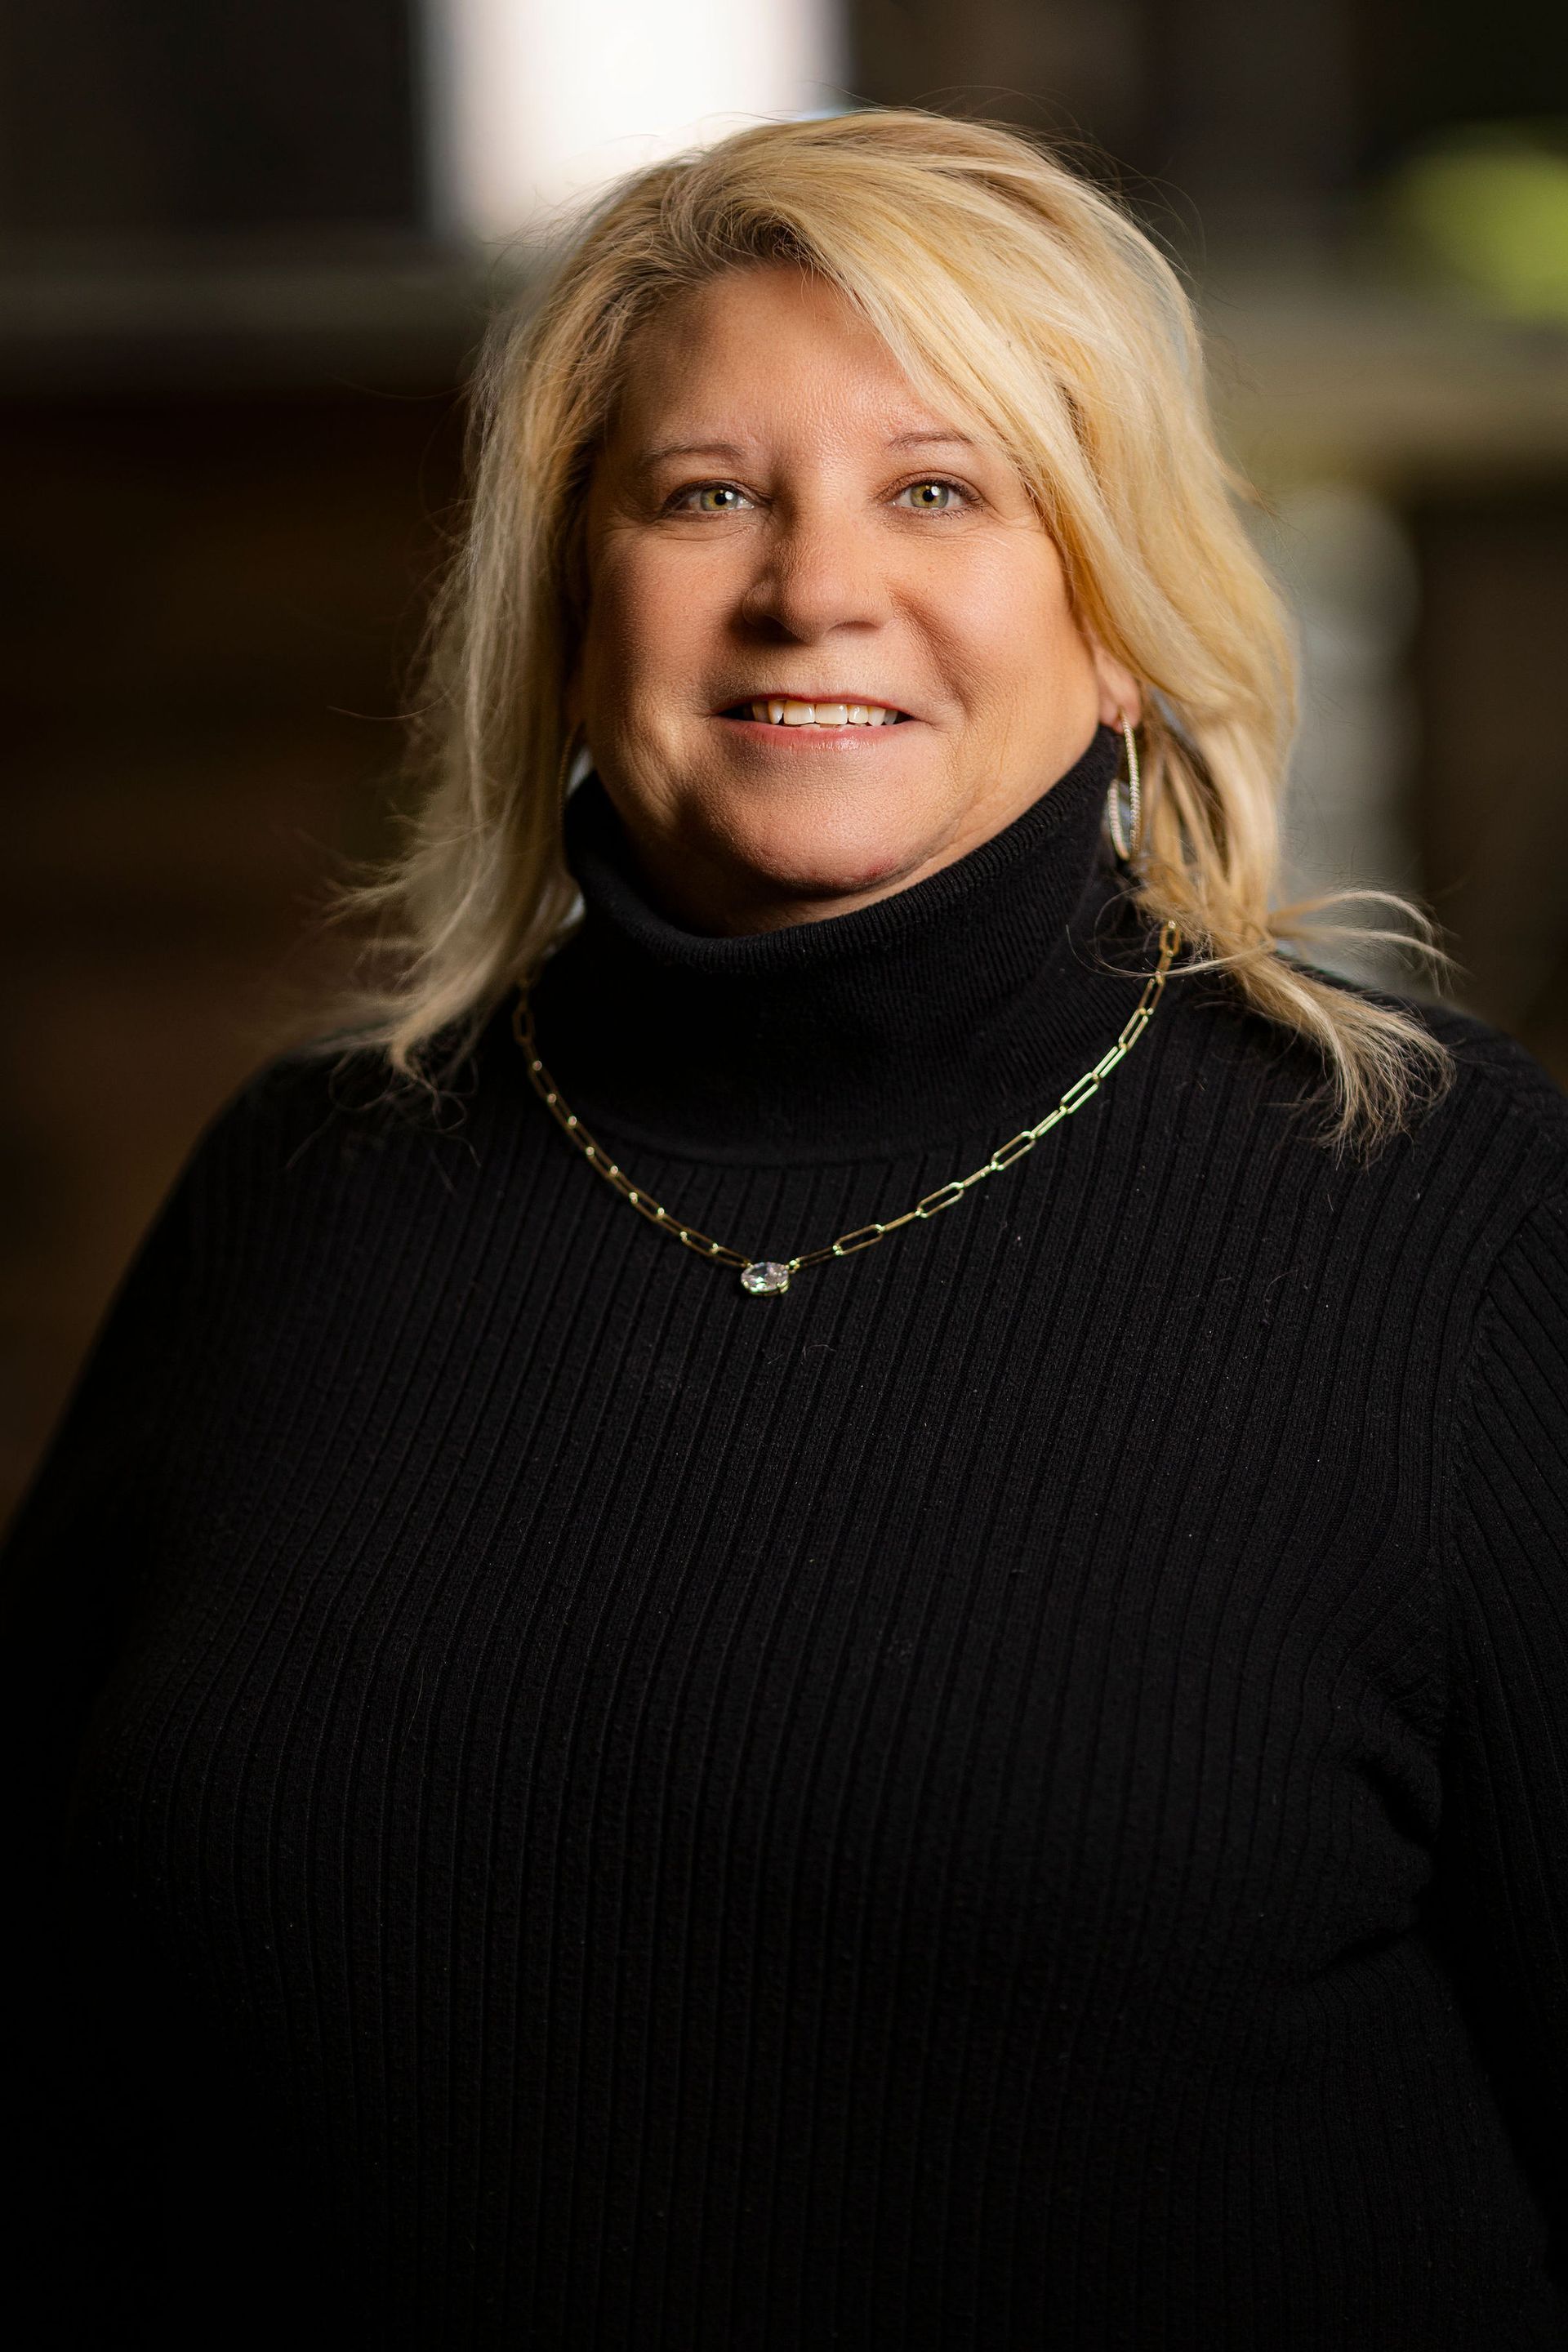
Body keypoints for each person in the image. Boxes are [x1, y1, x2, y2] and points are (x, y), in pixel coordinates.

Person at [3, 109, 1566, 2350]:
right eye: (706, 491)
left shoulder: (1444, 1219)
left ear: (1119, 616)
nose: (811, 586)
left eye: (941, 488)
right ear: (569, 603)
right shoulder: (313, 1189)